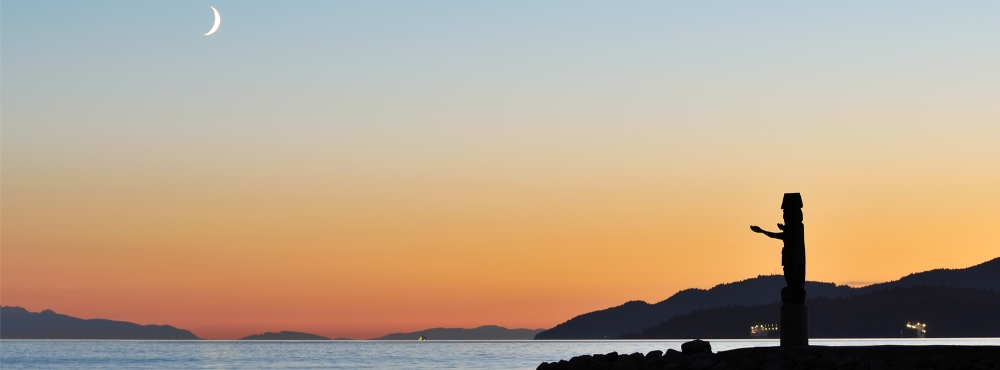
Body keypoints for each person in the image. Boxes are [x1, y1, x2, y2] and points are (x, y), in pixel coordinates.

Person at [751, 207, 806, 304]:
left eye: (786, 215)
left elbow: (776, 235)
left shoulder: (794, 231)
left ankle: (793, 293)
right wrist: (784, 228)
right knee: (789, 277)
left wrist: (762, 231)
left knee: (791, 279)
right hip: (789, 260)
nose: (784, 218)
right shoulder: (796, 230)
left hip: (791, 261)